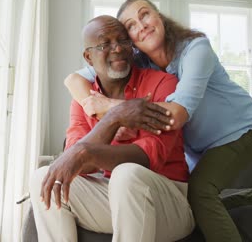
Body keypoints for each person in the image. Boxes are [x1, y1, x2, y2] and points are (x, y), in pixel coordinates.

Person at [64, 0, 252, 242]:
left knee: (201, 193)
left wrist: (113, 109)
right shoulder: (140, 61)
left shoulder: (196, 49)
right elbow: (73, 80)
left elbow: (175, 116)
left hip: (238, 130)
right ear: (130, 43)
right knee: (184, 205)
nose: (141, 25)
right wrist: (97, 111)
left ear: (159, 17)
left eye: (145, 15)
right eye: (131, 26)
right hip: (196, 144)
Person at [29, 15, 195, 242]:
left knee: (126, 174)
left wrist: (86, 152)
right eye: (104, 44)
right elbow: (79, 163)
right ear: (88, 57)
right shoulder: (82, 99)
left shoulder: (162, 83)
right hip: (113, 198)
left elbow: (148, 157)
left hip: (167, 205)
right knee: (44, 177)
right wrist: (114, 118)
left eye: (123, 41)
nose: (117, 48)